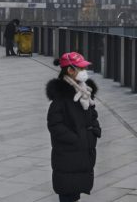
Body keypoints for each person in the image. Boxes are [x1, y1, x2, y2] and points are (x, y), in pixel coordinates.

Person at [46, 52, 101, 202]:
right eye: (80, 68)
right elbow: (54, 124)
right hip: (68, 154)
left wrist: (95, 131)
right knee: (67, 192)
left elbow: (93, 114)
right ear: (70, 70)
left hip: (81, 153)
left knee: (75, 191)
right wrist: (76, 139)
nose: (84, 72)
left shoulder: (84, 92)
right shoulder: (61, 97)